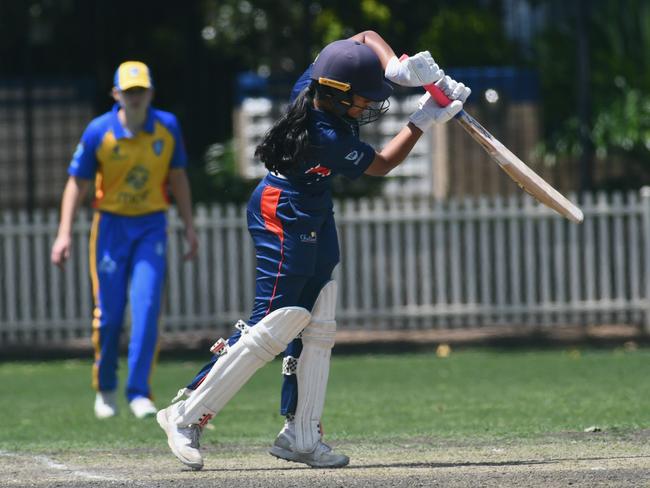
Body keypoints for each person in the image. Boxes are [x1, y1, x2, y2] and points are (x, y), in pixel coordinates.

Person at [156, 31, 469, 470]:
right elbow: (381, 165)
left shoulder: (316, 82)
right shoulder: (322, 131)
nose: (370, 105)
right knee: (273, 324)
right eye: (363, 99)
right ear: (339, 96)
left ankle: (302, 435)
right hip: (282, 211)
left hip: (314, 207)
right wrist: (423, 118)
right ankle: (186, 414)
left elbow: (362, 36)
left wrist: (398, 67)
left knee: (318, 318)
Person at [51, 61, 199, 419]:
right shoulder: (98, 131)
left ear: (150, 93)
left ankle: (139, 393)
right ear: (116, 94)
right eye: (128, 92)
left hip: (151, 225)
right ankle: (105, 389)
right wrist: (63, 232)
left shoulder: (167, 128)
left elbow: (177, 178)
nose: (135, 98)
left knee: (147, 310)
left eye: (140, 91)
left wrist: (189, 227)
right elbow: (77, 183)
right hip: (111, 228)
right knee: (109, 316)